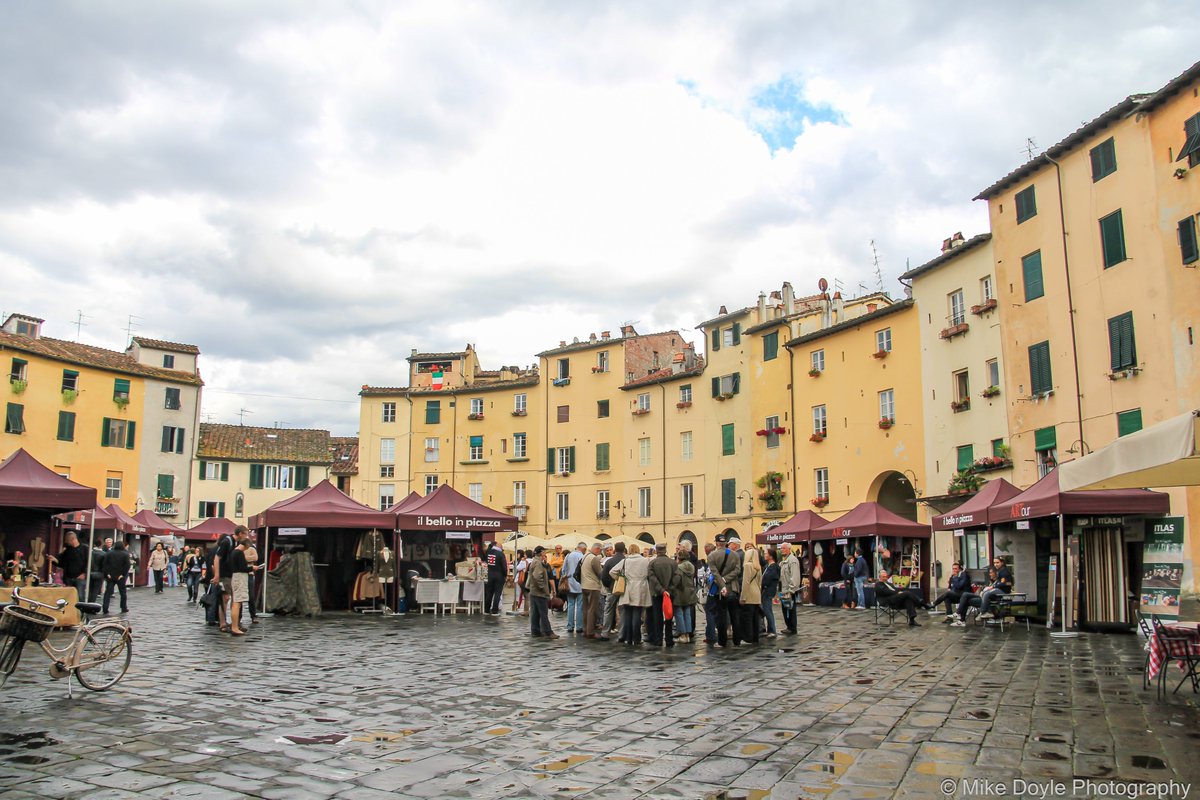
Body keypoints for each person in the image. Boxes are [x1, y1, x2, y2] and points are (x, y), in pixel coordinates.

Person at [612, 543, 651, 645]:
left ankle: (628, 638)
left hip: (628, 588)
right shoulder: (645, 560)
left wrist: (621, 579)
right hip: (641, 588)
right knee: (637, 613)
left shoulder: (625, 561)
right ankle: (637, 638)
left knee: (628, 614)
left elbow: (612, 572)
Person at [646, 543, 677, 647]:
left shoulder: (652, 563)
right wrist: (669, 589)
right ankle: (669, 639)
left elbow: (652, 578)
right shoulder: (673, 563)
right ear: (665, 550)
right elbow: (676, 577)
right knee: (669, 614)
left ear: (656, 551)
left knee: (657, 615)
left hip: (656, 593)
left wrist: (661, 590)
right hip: (670, 593)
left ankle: (658, 639)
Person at [210, 526, 238, 632]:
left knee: (225, 599)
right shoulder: (225, 546)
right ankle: (222, 622)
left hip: (227, 575)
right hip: (223, 576)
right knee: (224, 599)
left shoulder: (230, 545)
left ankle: (226, 622)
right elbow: (214, 561)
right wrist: (216, 575)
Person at [526, 546, 558, 639]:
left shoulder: (535, 561)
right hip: (539, 592)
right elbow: (537, 577)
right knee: (543, 612)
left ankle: (535, 631)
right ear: (541, 553)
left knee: (535, 612)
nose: (545, 554)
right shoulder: (538, 563)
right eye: (544, 552)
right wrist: (542, 587)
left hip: (534, 591)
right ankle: (548, 632)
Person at [48, 531, 88, 601]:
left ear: (73, 539)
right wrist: (54, 560)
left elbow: (89, 563)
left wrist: (84, 573)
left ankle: (80, 611)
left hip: (80, 577)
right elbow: (62, 563)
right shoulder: (68, 551)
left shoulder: (85, 549)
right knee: (68, 597)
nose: (66, 542)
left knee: (80, 596)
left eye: (67, 541)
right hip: (68, 577)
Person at [227, 530, 251, 635]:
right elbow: (243, 568)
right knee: (237, 603)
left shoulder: (233, 552)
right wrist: (251, 568)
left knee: (236, 602)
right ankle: (235, 627)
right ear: (246, 546)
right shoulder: (239, 553)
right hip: (239, 577)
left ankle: (234, 626)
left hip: (235, 576)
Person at [672, 548, 697, 643]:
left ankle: (682, 635)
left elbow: (676, 581)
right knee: (687, 612)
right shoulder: (691, 566)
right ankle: (687, 634)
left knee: (678, 612)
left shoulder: (679, 568)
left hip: (680, 591)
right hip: (690, 591)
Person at [739, 544, 763, 644]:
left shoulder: (747, 565)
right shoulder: (758, 566)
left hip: (749, 594)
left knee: (747, 617)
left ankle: (748, 637)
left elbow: (746, 582)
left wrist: (743, 597)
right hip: (757, 593)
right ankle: (755, 637)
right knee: (755, 618)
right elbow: (759, 582)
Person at [601, 542, 626, 635]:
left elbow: (603, 577)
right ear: (624, 550)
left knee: (608, 611)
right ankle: (622, 634)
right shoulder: (626, 560)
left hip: (612, 589)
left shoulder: (609, 561)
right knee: (623, 611)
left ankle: (605, 633)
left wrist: (609, 586)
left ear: (615, 549)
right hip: (624, 590)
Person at [561, 542, 586, 633]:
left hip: (570, 583)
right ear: (583, 549)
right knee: (580, 606)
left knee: (570, 605)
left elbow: (563, 569)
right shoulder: (583, 557)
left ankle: (570, 626)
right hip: (580, 583)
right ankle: (579, 626)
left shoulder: (569, 555)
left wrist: (563, 578)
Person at [581, 543, 604, 639]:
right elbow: (599, 572)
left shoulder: (585, 556)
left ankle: (585, 630)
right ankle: (590, 632)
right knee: (592, 610)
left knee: (586, 609)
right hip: (593, 586)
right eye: (600, 550)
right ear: (597, 549)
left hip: (584, 585)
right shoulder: (594, 558)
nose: (600, 552)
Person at [101, 541, 131, 614]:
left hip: (110, 576)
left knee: (108, 592)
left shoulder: (109, 553)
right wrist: (123, 574)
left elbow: (104, 564)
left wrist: (107, 573)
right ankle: (123, 607)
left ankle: (105, 607)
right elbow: (127, 565)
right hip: (120, 576)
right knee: (123, 593)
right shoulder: (125, 554)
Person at [779, 542, 802, 634]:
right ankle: (788, 626)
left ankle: (792, 628)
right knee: (785, 609)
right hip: (784, 590)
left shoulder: (792, 560)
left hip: (789, 590)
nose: (782, 550)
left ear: (789, 549)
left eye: (784, 548)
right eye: (781, 548)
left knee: (790, 609)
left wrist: (791, 589)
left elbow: (795, 576)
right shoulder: (784, 560)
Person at [702, 540, 720, 643]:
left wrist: (704, 581)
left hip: (713, 589)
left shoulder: (711, 558)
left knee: (709, 611)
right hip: (721, 587)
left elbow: (709, 575)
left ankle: (711, 635)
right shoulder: (721, 555)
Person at [483, 539, 508, 616]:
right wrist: (505, 575)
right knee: (497, 593)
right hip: (499, 575)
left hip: (490, 575)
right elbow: (504, 567)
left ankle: (486, 610)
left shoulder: (488, 553)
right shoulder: (500, 554)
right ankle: (494, 611)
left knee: (489, 593)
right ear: (498, 547)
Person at [760, 547, 780, 638]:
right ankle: (769, 630)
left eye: (766, 554)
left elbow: (767, 580)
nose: (764, 555)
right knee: (766, 610)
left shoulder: (774, 567)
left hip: (768, 591)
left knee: (768, 611)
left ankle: (772, 630)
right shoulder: (768, 566)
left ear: (771, 556)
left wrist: (761, 583)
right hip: (766, 591)